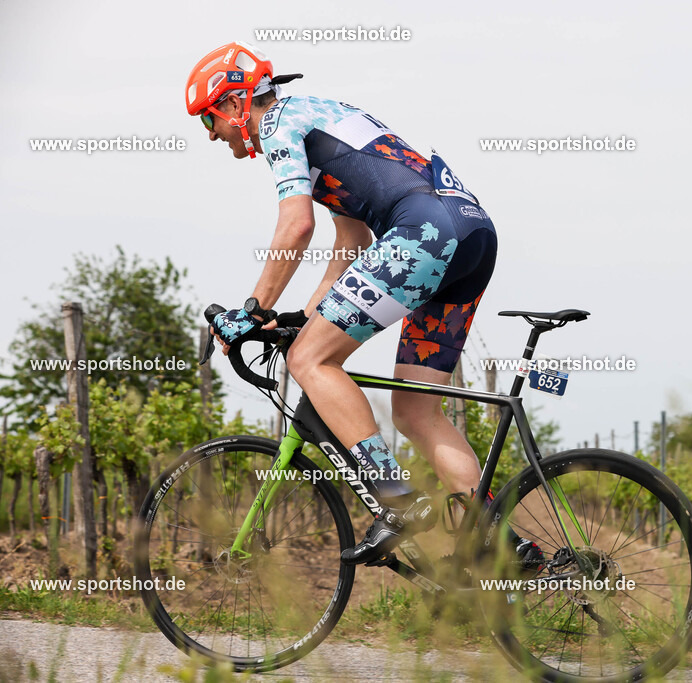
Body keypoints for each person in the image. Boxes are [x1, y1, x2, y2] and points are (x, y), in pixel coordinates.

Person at [185, 41, 542, 567]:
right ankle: (500, 542)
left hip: (423, 234)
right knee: (416, 411)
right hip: (470, 233)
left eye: (208, 120)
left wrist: (253, 310)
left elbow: (295, 225)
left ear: (236, 105)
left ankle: (397, 501)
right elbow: (350, 241)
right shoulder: (319, 114)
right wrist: (304, 317)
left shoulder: (278, 123)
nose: (212, 135)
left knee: (310, 361)